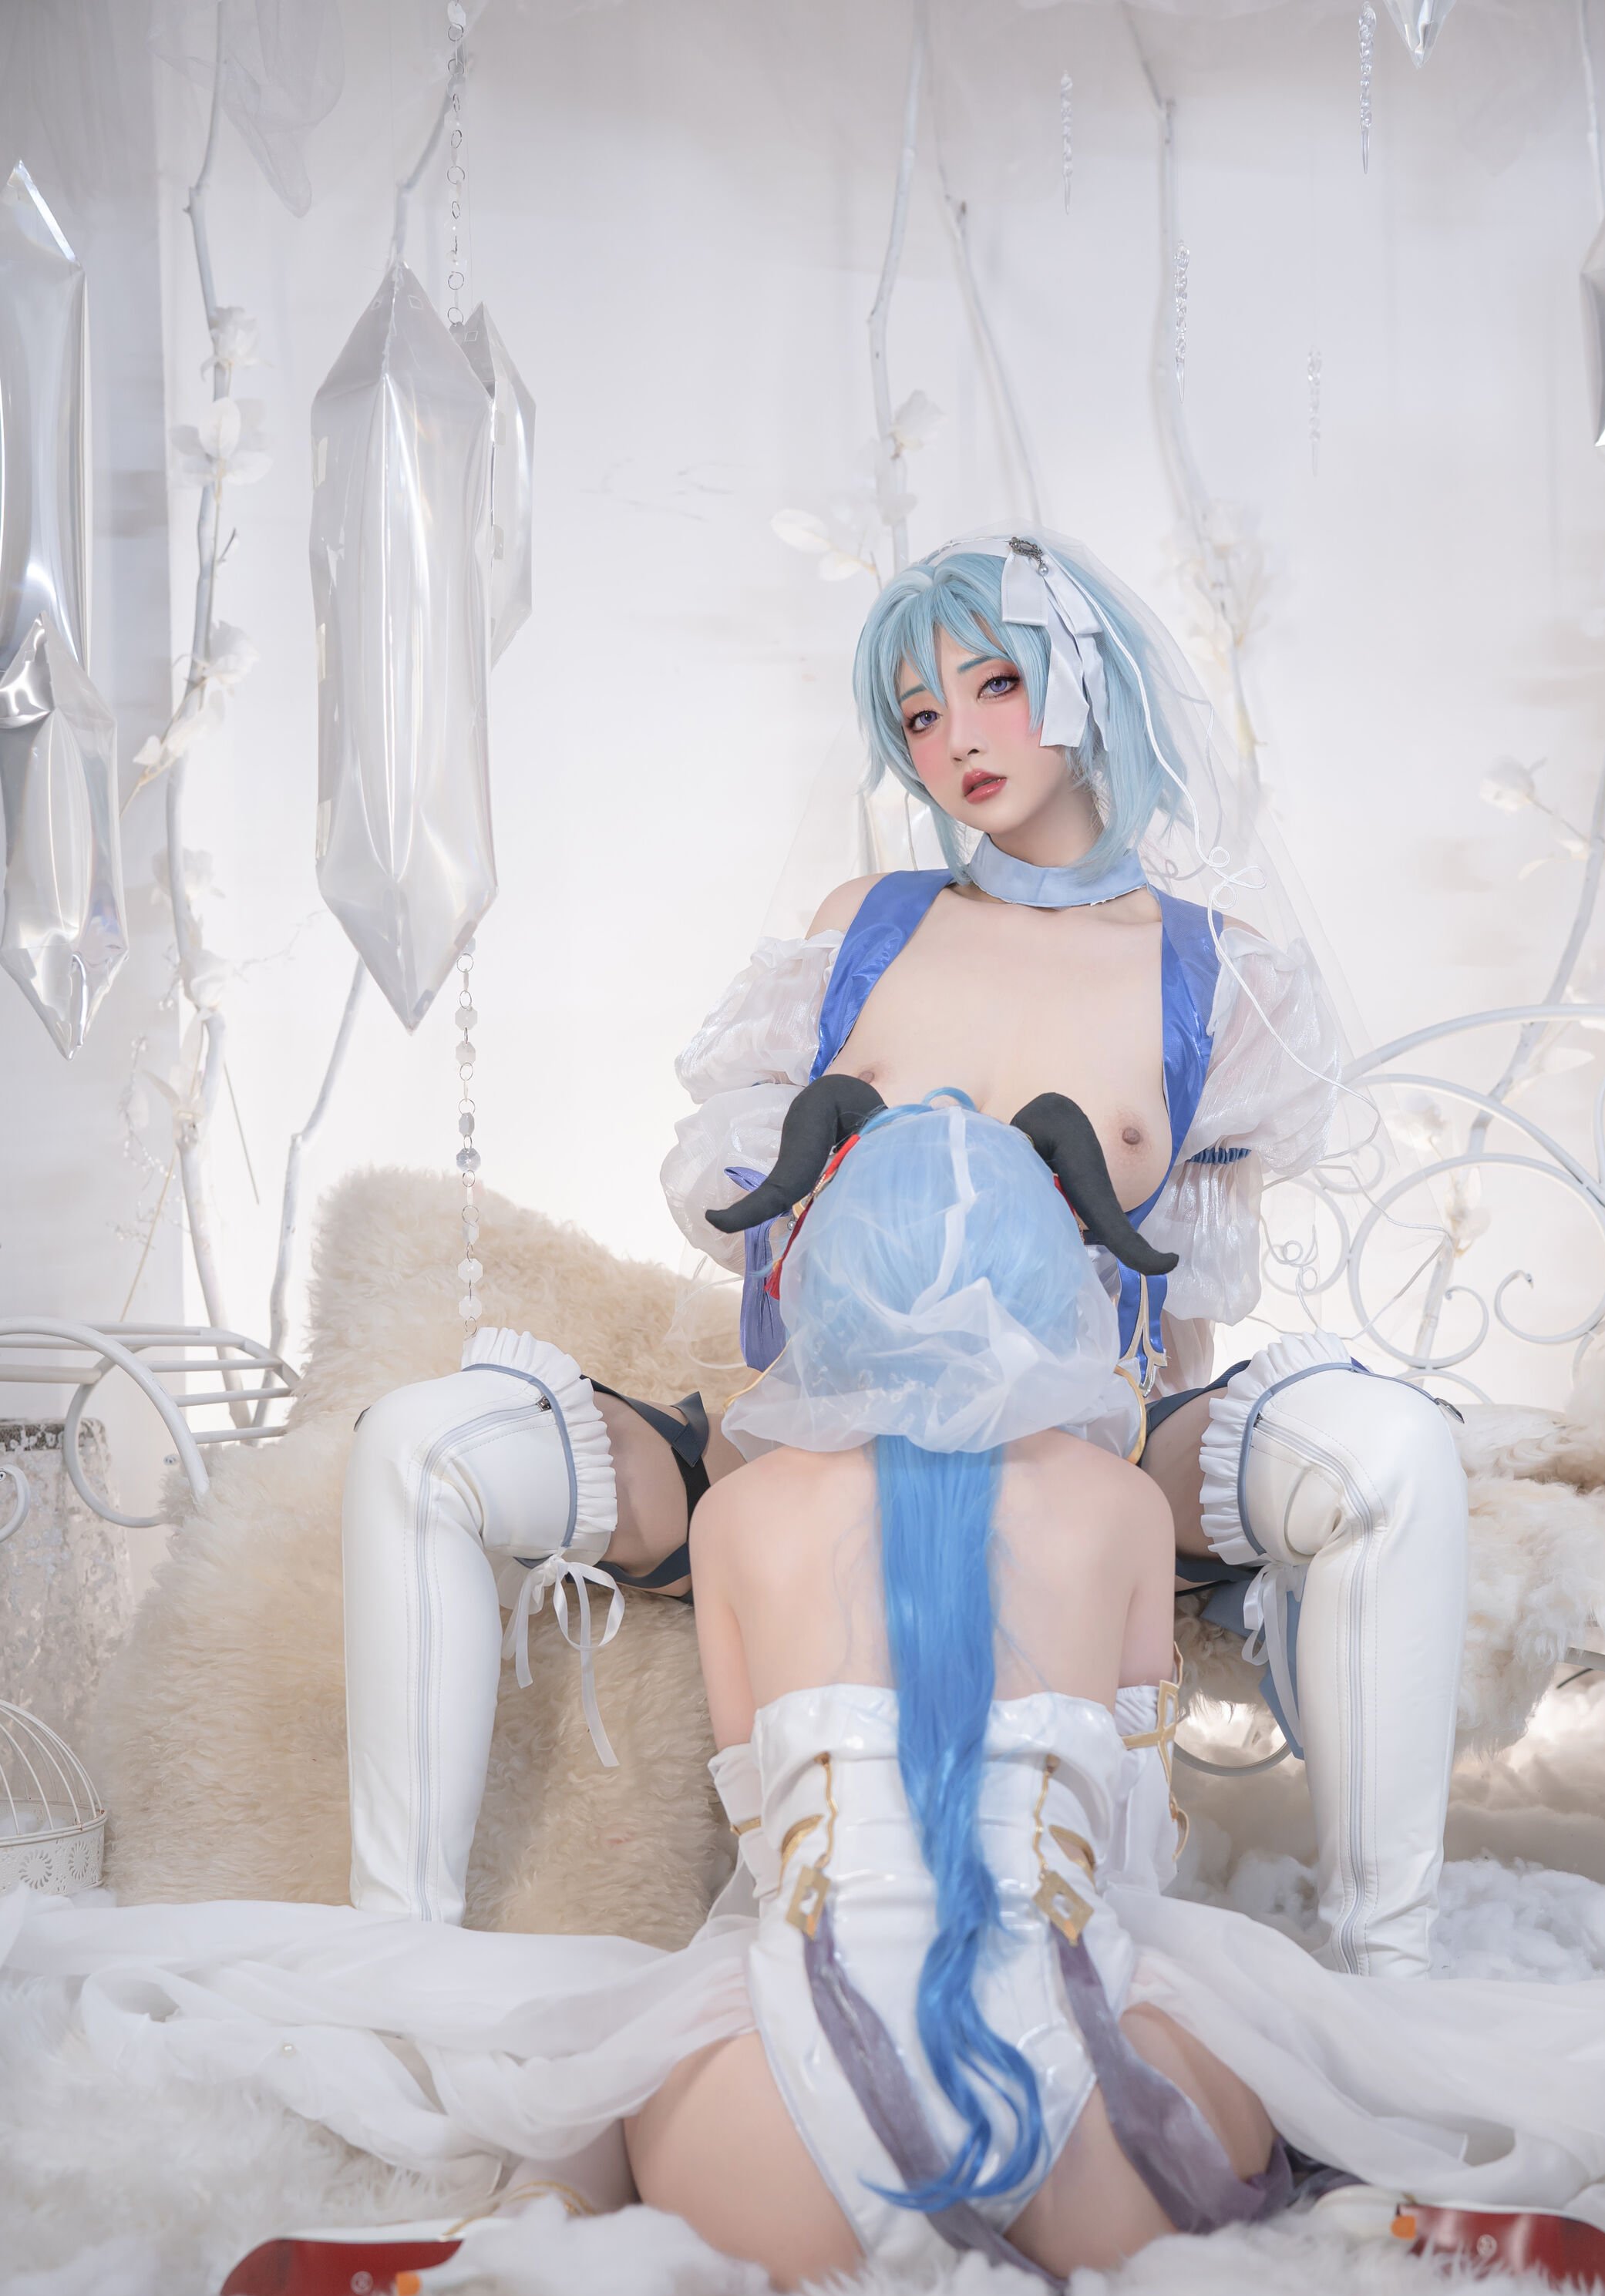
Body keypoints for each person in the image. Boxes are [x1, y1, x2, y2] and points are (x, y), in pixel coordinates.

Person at [12, 1096, 1605, 2296]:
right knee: (1289, 2065)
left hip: (785, 2138)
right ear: (1056, 1285)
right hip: (1100, 2123)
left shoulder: (745, 1516)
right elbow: (1133, 1829)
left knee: (602, 2097)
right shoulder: (1113, 1502)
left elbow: (754, 1827)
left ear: (818, 1283)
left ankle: (528, 2243)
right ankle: (1369, 2212)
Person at [344, 530, 1466, 1978]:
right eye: (920, 716)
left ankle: (1393, 1970)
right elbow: (745, 1220)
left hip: (1089, 1453)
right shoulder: (862, 930)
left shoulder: (1219, 975)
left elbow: (1179, 1295)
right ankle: (396, 1962)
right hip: (809, 1441)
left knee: (1392, 1445)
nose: (957, 743)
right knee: (421, 1443)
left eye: (995, 685)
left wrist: (1094, 1471)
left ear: (1088, 682)